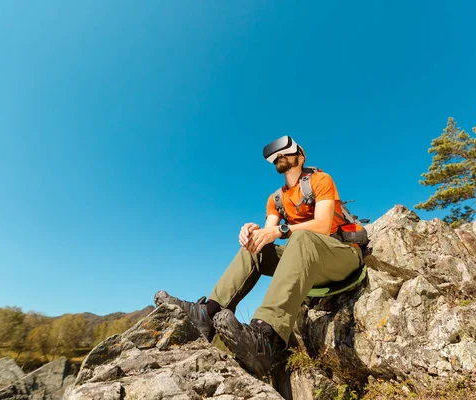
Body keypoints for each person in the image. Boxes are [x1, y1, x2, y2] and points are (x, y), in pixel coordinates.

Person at [155, 136, 363, 378]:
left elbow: (323, 224)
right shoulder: (276, 199)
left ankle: (266, 336)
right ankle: (207, 315)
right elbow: (268, 234)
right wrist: (252, 233)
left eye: (285, 153)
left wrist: (281, 230)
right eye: (276, 157)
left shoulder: (320, 180)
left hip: (341, 257)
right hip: (308, 266)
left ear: (301, 157)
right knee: (255, 248)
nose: (280, 158)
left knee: (302, 237)